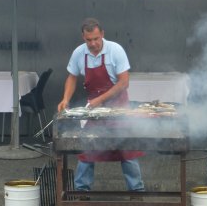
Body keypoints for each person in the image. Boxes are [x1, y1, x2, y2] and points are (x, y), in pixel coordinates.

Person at [58, 18, 144, 198]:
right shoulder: (79, 53)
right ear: (83, 37)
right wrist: (65, 99)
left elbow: (124, 83)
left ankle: (136, 191)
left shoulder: (115, 50)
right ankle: (82, 191)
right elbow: (72, 77)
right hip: (95, 111)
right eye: (89, 40)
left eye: (96, 39)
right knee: (87, 146)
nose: (93, 43)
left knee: (127, 148)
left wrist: (100, 99)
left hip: (118, 107)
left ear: (102, 34)